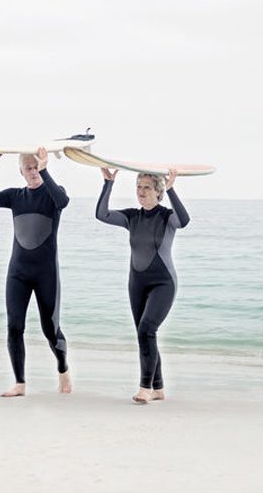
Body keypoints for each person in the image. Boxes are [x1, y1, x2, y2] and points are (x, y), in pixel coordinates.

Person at [0, 146, 72, 397]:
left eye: (36, 166)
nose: (33, 171)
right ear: (21, 171)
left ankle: (63, 368)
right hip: (18, 272)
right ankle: (20, 383)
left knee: (50, 330)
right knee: (14, 327)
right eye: (29, 168)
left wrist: (45, 170)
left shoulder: (54, 193)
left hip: (46, 274)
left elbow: (63, 203)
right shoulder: (15, 196)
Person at [95, 167, 189, 404]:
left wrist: (172, 189)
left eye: (147, 187)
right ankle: (158, 388)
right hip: (136, 283)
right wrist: (108, 183)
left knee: (147, 329)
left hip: (163, 283)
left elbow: (184, 220)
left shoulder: (167, 217)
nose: (141, 191)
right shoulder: (132, 217)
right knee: (144, 334)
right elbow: (102, 214)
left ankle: (145, 388)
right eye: (138, 187)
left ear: (158, 191)